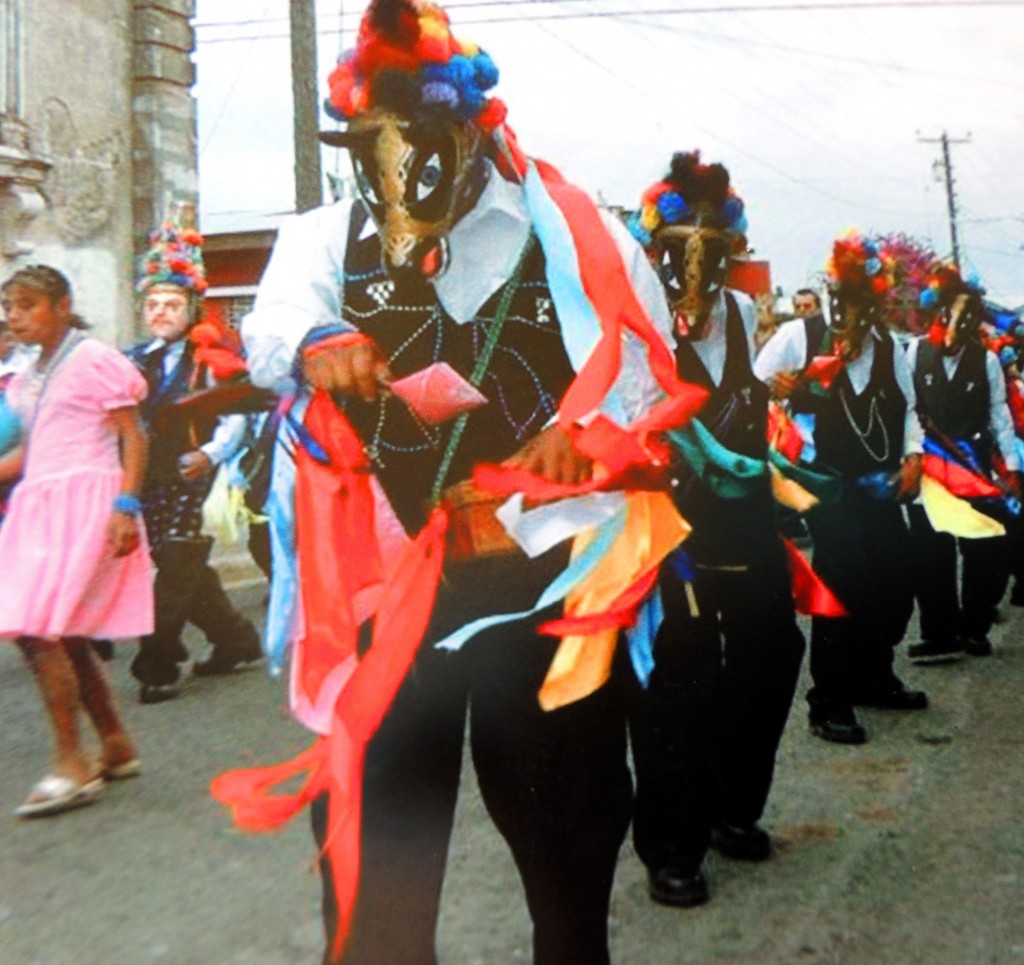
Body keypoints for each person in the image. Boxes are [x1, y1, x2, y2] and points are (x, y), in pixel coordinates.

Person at [232, 2, 689, 962]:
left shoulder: (578, 238)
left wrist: (586, 434)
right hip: (387, 593)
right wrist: (317, 344)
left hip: (540, 586)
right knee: (377, 869)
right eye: (374, 151)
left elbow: (646, 376)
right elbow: (268, 334)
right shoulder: (322, 239)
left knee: (567, 849)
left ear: (474, 133)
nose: (400, 179)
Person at [625, 153, 806, 907]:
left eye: (711, 245)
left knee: (773, 647)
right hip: (665, 520)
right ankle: (673, 842)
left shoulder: (739, 314)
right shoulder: (629, 315)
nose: (694, 263)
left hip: (740, 515)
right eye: (678, 246)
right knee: (681, 672)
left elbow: (754, 396)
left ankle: (734, 806)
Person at [755, 233, 927, 745]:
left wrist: (914, 457)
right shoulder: (796, 338)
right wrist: (775, 390)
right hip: (824, 484)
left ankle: (874, 674)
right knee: (845, 577)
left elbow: (910, 409)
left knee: (897, 577)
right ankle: (829, 700)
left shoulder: (889, 348)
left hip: (879, 482)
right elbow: (751, 389)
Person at [0, 265, 149, 816]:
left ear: (63, 305)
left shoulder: (93, 359)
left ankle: (71, 762)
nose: (14, 316)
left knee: (42, 630)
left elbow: (134, 436)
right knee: (55, 633)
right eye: (9, 307)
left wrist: (125, 506)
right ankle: (114, 742)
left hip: (86, 504)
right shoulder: (27, 372)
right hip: (38, 504)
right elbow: (33, 455)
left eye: (26, 304)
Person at [127, 211, 262, 704]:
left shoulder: (211, 359)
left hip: (194, 475)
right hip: (146, 476)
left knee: (177, 565)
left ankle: (157, 665)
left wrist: (209, 454)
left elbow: (236, 418)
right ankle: (236, 639)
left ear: (191, 309)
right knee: (178, 563)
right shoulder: (132, 358)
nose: (160, 312)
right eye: (153, 304)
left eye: (171, 304)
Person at [905, 265, 1021, 662]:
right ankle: (940, 634)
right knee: (930, 555)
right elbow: (905, 409)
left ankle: (973, 627)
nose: (955, 330)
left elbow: (999, 416)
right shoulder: (914, 353)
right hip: (931, 475)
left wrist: (1012, 467)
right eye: (948, 318)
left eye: (965, 320)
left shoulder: (985, 361)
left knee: (984, 550)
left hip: (972, 469)